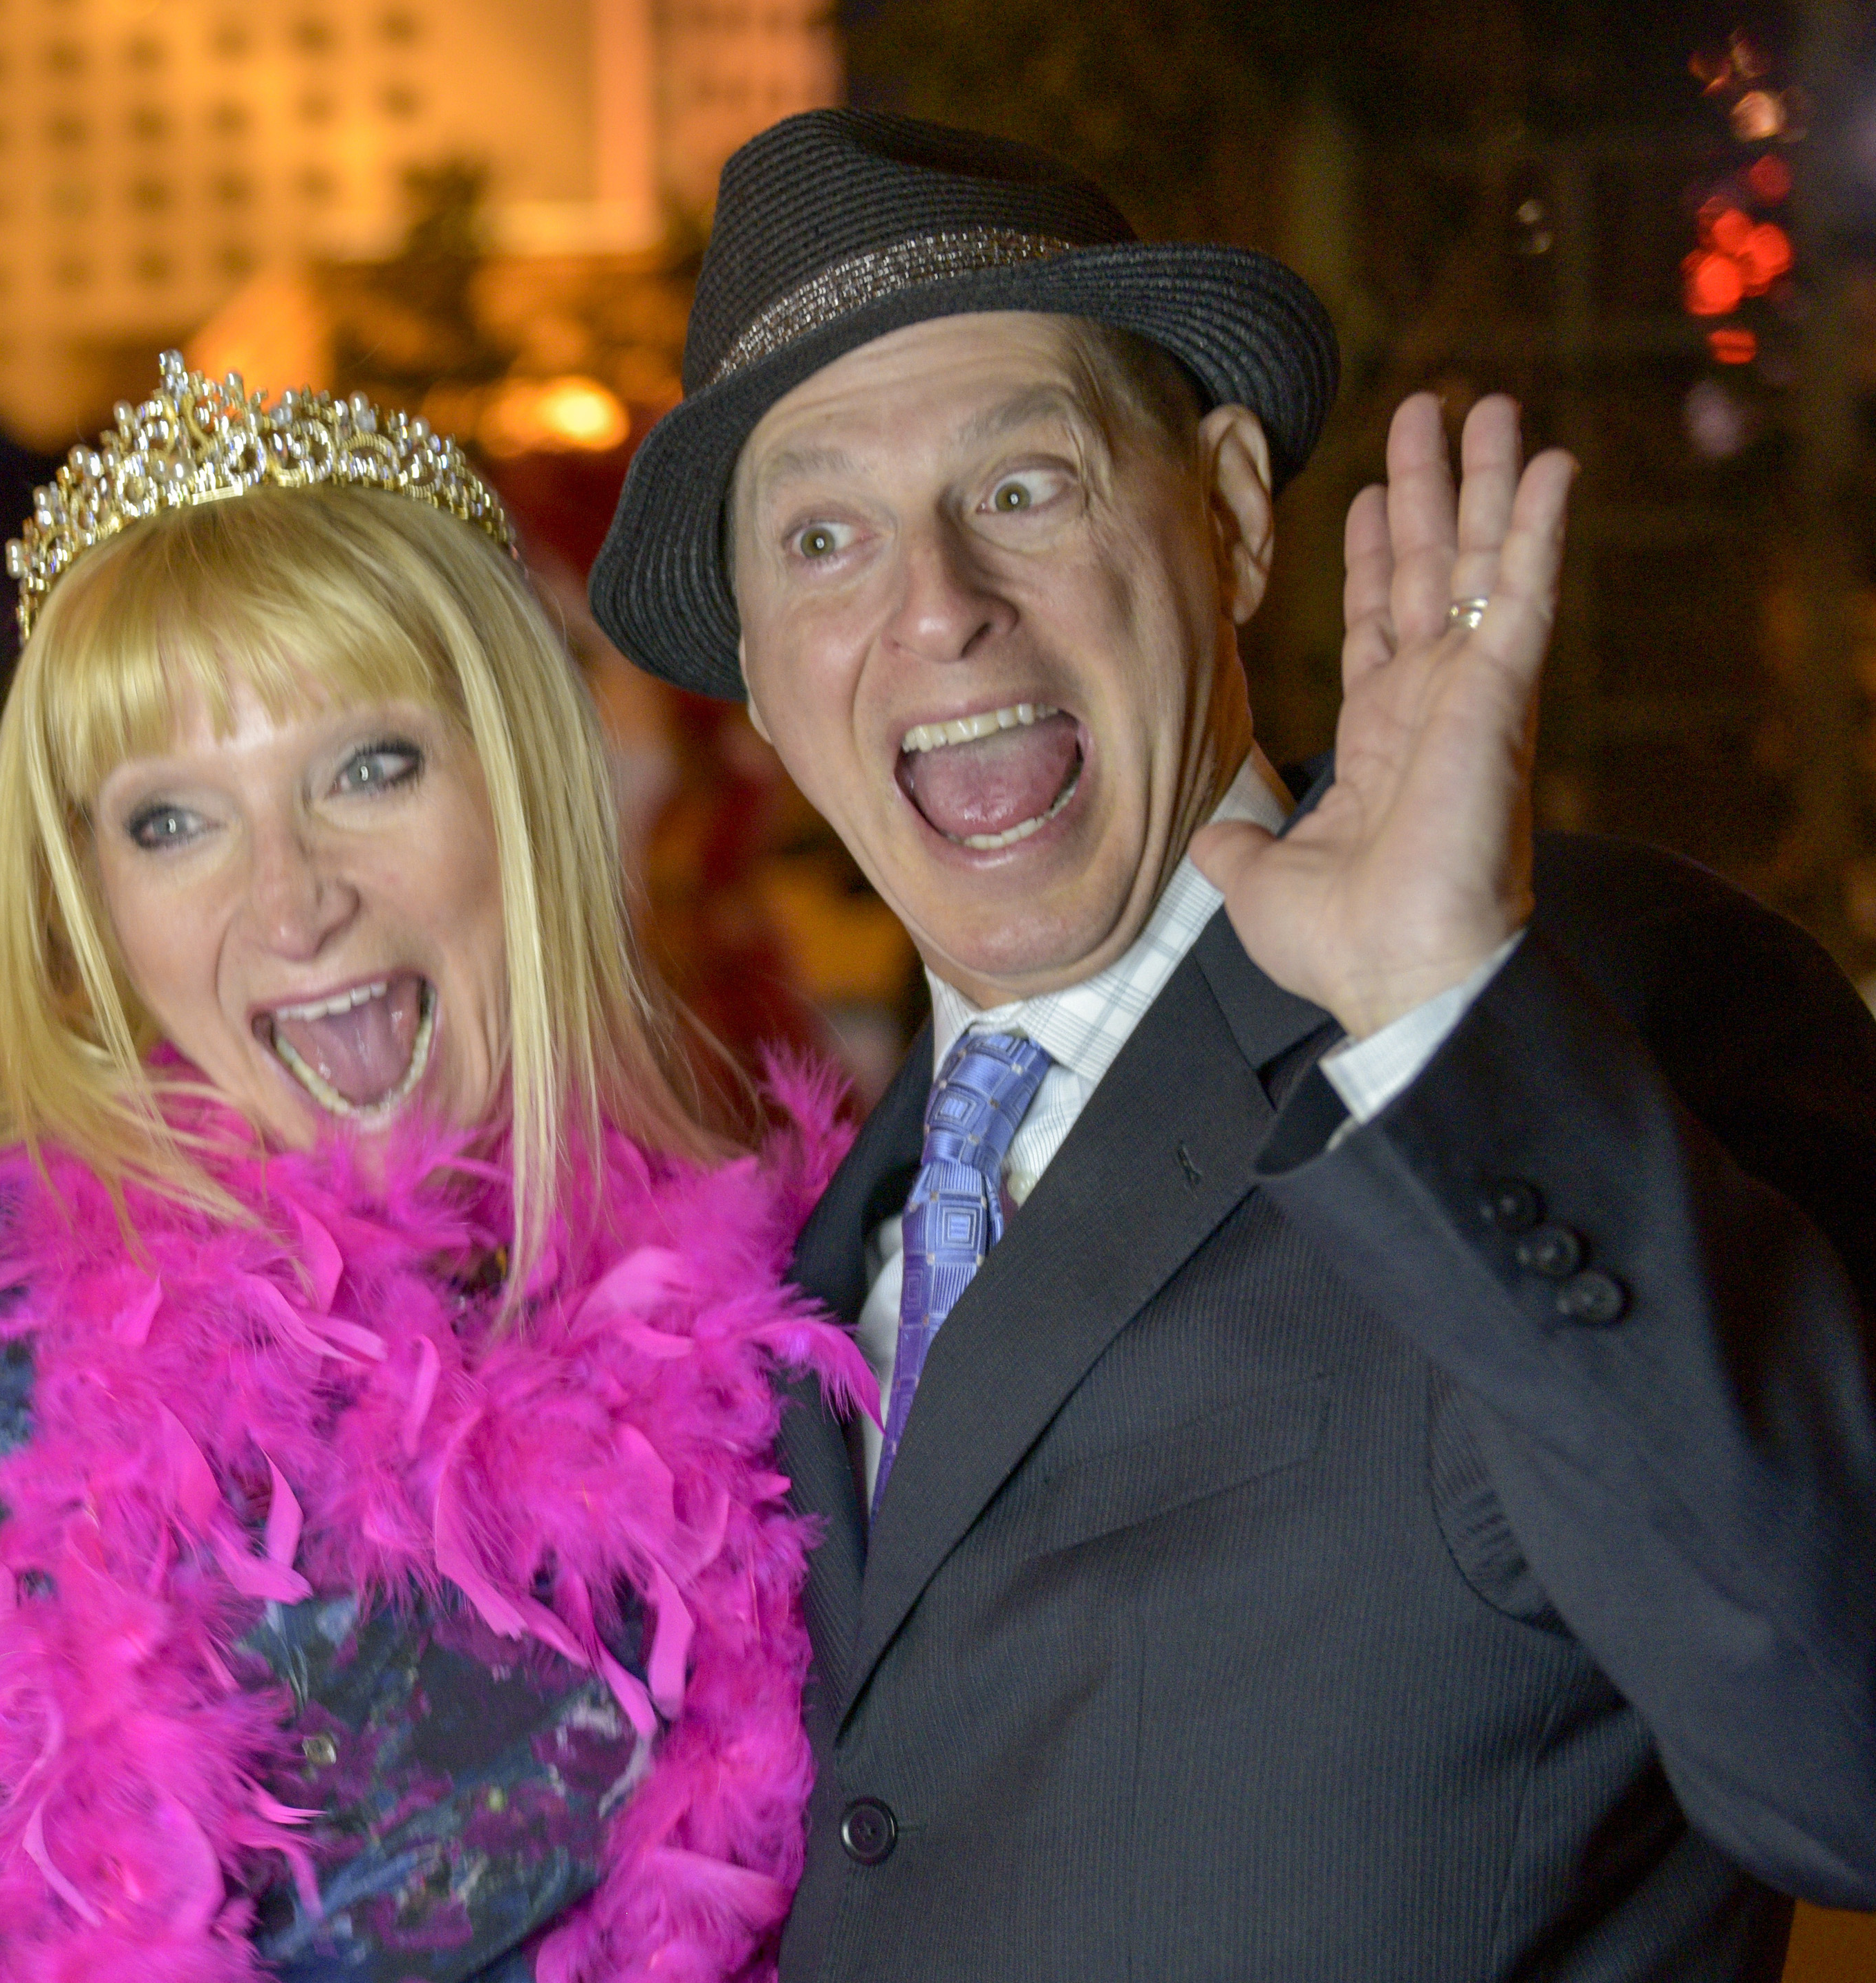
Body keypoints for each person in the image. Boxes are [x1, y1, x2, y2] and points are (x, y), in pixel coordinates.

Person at [583, 109, 1876, 1978]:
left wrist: (1441, 1024)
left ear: (1233, 518)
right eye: (823, 536)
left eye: (1023, 483)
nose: (936, 603)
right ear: (767, 684)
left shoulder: (1606, 1002)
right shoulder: (789, 1266)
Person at [0, 357, 873, 1981]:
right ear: (91, 903)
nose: (295, 898)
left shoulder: (758, 1322)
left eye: (369, 766)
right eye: (173, 820)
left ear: (521, 783)